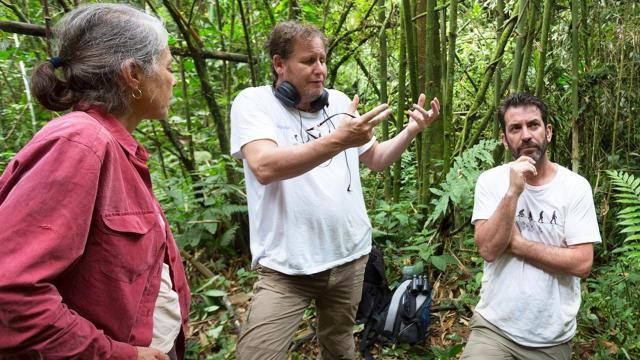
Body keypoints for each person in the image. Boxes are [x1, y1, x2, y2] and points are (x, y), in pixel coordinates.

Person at [230, 21, 440, 360]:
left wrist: (411, 131)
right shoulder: (253, 103)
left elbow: (376, 159)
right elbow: (265, 167)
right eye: (308, 61)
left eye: (323, 60)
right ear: (279, 64)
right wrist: (339, 138)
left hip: (349, 259)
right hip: (286, 269)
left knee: (340, 347)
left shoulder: (340, 103)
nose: (320, 70)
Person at [0, 4, 190, 359]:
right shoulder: (80, 143)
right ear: (133, 74)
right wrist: (116, 354)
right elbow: (10, 292)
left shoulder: (116, 147)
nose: (173, 78)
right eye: (168, 67)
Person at [461, 92, 601, 359]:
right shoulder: (491, 181)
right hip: (494, 328)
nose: (526, 135)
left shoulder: (575, 187)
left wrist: (517, 244)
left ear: (547, 132)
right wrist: (513, 192)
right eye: (515, 128)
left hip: (550, 337)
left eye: (533, 125)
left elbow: (582, 264)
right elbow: (489, 249)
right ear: (504, 139)